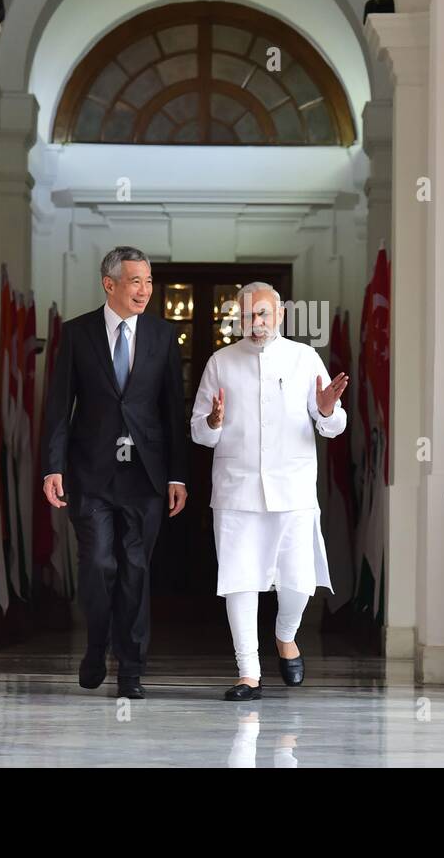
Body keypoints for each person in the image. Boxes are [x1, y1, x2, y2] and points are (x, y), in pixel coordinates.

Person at [41, 246, 188, 699]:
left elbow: (172, 411)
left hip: (145, 476)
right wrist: (53, 466)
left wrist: (177, 476)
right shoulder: (76, 334)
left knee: (135, 571)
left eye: (147, 281)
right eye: (134, 282)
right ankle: (96, 643)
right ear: (110, 285)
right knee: (100, 563)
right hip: (91, 473)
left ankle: (130, 668)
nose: (144, 290)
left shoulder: (164, 337)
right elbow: (58, 407)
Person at [190, 282, 348, 701]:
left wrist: (329, 408)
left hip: (293, 488)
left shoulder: (304, 358)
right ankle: (248, 673)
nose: (254, 322)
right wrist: (214, 421)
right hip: (236, 490)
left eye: (262, 314)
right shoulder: (221, 362)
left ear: (279, 315)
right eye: (245, 315)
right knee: (239, 582)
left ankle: (285, 635)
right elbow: (199, 432)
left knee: (298, 581)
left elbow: (330, 425)